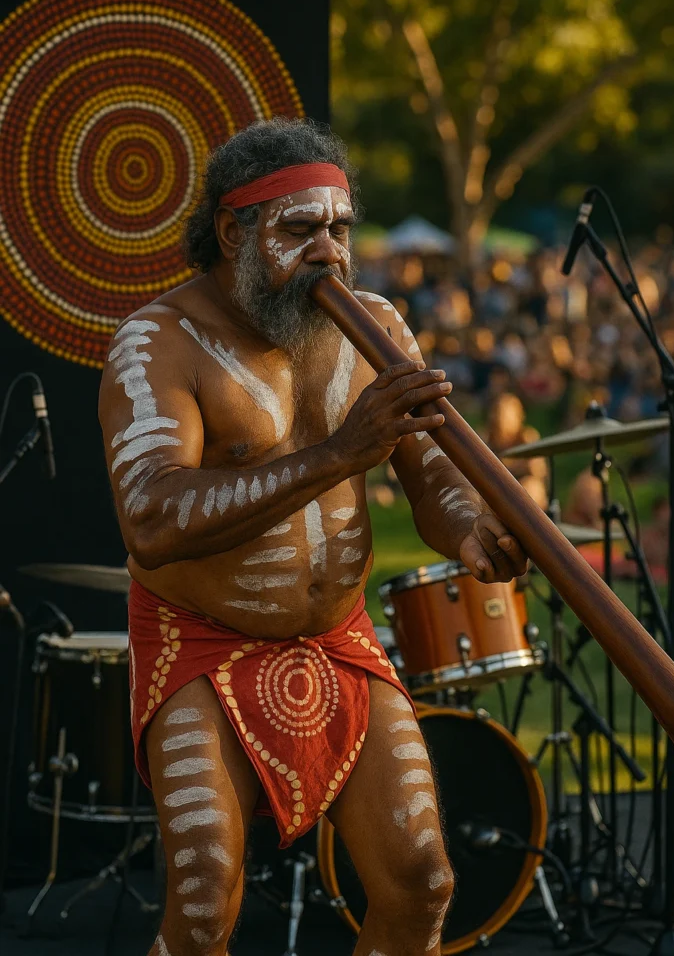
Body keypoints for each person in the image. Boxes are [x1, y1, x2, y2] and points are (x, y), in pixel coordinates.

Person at [98, 117, 529, 956]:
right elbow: (149, 520)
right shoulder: (158, 342)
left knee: (423, 881)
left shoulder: (377, 325)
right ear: (234, 232)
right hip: (202, 642)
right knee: (201, 905)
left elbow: (432, 480)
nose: (328, 253)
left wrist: (473, 531)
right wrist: (340, 454)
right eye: (299, 231)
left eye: (339, 229)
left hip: (337, 636)